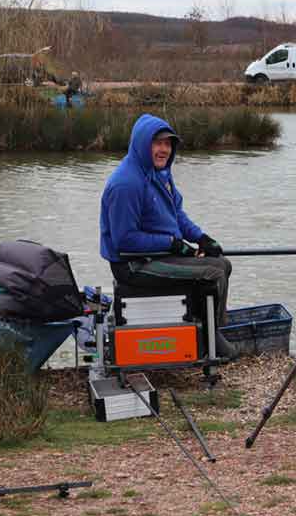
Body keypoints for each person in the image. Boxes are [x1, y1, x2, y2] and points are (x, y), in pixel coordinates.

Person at [99, 113, 235, 356]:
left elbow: (176, 215)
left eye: (168, 144)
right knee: (212, 272)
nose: (164, 149)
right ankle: (210, 340)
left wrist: (201, 238)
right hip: (133, 265)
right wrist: (173, 244)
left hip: (158, 254)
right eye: (157, 143)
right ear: (142, 143)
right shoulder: (126, 184)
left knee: (223, 264)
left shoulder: (160, 174)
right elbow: (124, 240)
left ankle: (211, 330)